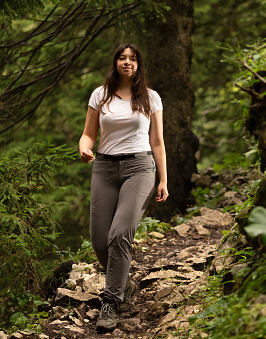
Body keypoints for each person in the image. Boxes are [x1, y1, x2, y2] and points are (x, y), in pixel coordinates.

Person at [79, 43, 168, 331]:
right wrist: (84, 149)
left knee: (120, 234)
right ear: (115, 62)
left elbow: (157, 142)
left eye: (132, 59)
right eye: (122, 57)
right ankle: (123, 282)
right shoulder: (100, 95)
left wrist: (164, 179)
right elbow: (88, 134)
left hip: (140, 168)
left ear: (139, 64)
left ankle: (111, 300)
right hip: (103, 168)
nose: (127, 62)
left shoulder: (151, 98)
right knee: (99, 240)